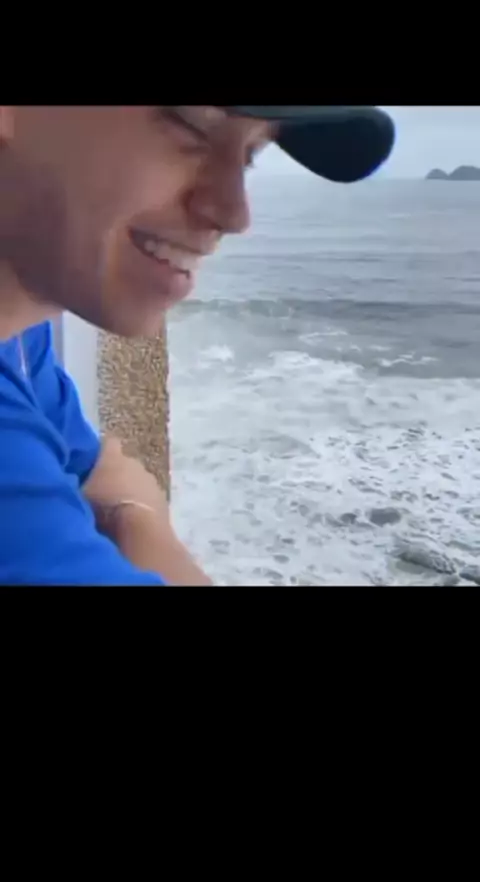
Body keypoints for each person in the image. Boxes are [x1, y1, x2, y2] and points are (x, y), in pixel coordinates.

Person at [0, 106, 395, 585]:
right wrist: (142, 518)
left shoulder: (19, 332)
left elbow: (98, 468)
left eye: (249, 157)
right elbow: (115, 485)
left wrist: (134, 510)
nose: (233, 213)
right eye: (192, 126)